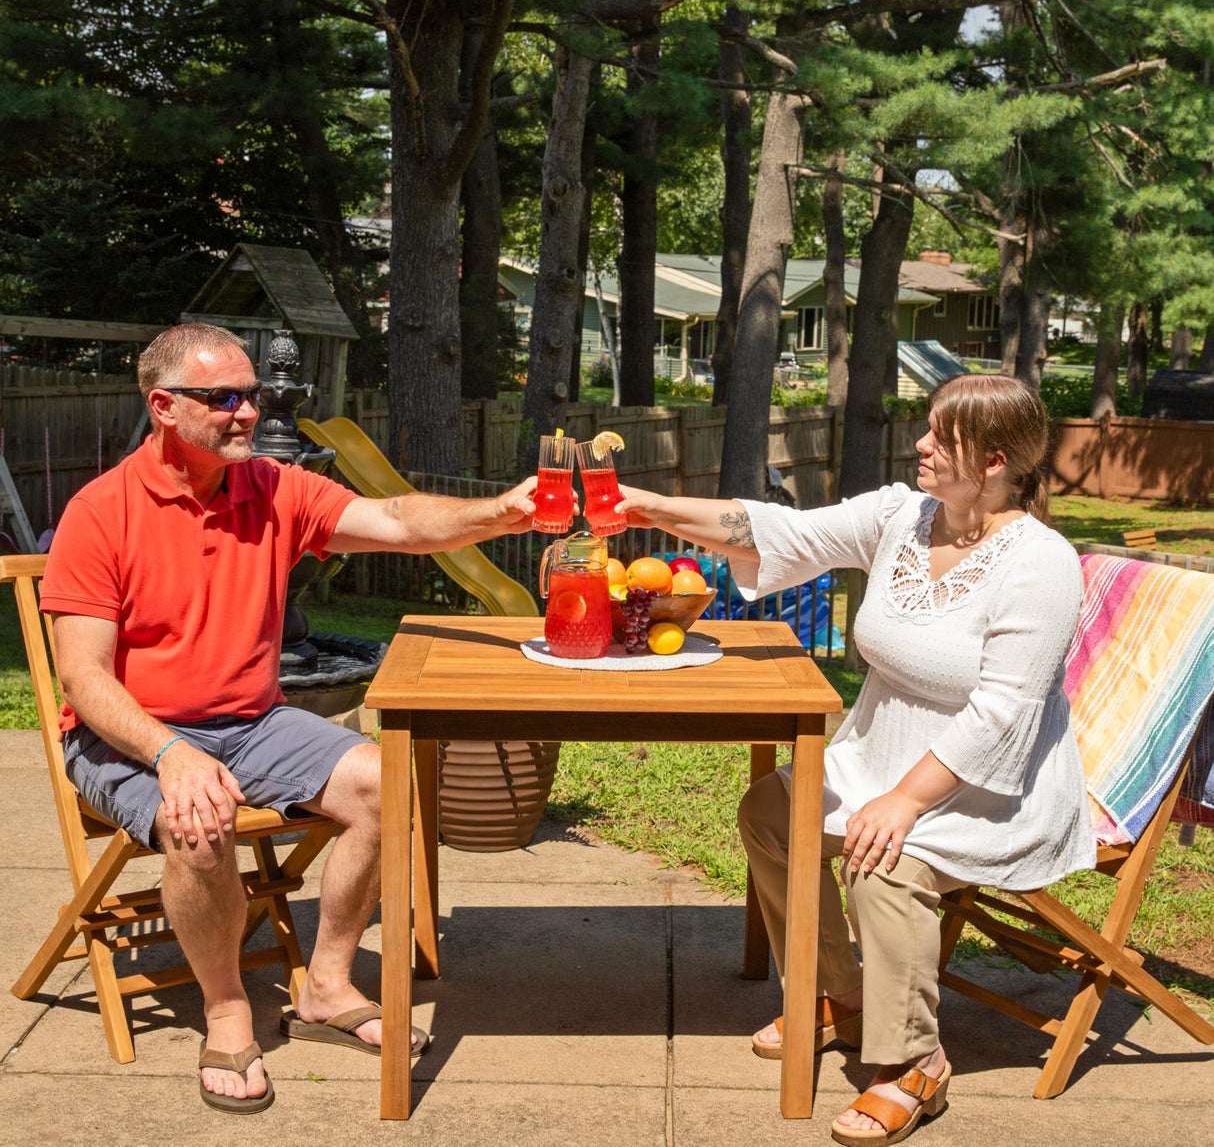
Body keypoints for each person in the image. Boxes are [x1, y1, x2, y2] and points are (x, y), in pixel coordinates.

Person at [39, 323, 543, 1114]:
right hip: (124, 735)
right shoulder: (100, 513)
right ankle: (227, 1006)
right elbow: (85, 677)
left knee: (386, 779)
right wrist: (172, 754)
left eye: (254, 396)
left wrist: (504, 514)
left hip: (251, 720)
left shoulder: (274, 488)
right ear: (164, 407)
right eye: (225, 398)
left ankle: (327, 985)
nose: (247, 414)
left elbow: (402, 523)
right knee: (199, 822)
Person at [613, 374, 1095, 1147]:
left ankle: (911, 1064)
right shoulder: (902, 516)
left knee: (882, 857)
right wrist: (650, 508)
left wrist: (905, 800)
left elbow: (1004, 714)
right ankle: (847, 996)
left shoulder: (1041, 565)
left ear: (997, 460)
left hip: (991, 783)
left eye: (942, 435)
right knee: (771, 813)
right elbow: (777, 530)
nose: (922, 443)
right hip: (882, 752)